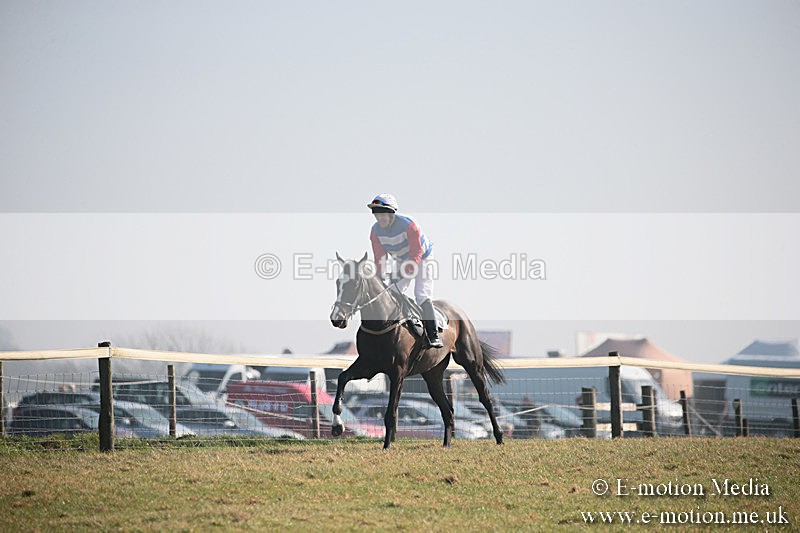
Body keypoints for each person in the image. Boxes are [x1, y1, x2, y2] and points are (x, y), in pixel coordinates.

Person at [367, 193, 443, 348]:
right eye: (376, 214)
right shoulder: (375, 231)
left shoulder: (409, 225)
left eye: (382, 214)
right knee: (391, 292)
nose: (379, 218)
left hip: (422, 259)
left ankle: (433, 335)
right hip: (402, 260)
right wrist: (379, 277)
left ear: (391, 213)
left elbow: (416, 254)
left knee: (422, 295)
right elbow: (380, 258)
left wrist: (402, 272)